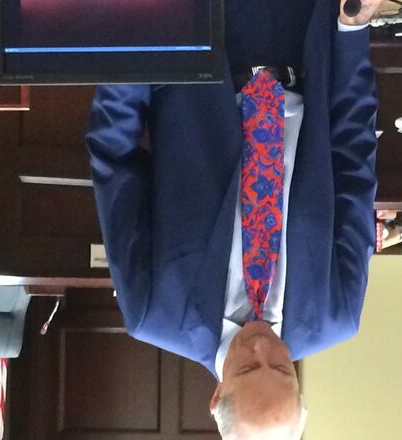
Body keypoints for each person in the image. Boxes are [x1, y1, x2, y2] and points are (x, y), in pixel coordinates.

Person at [85, 0, 382, 437]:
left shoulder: (155, 313)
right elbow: (354, 158)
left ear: (216, 395)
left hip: (193, 39)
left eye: (248, 368)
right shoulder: (336, 314)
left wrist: (141, 25)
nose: (263, 346)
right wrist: (353, 31)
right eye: (281, 368)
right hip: (303, 38)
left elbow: (115, 154)